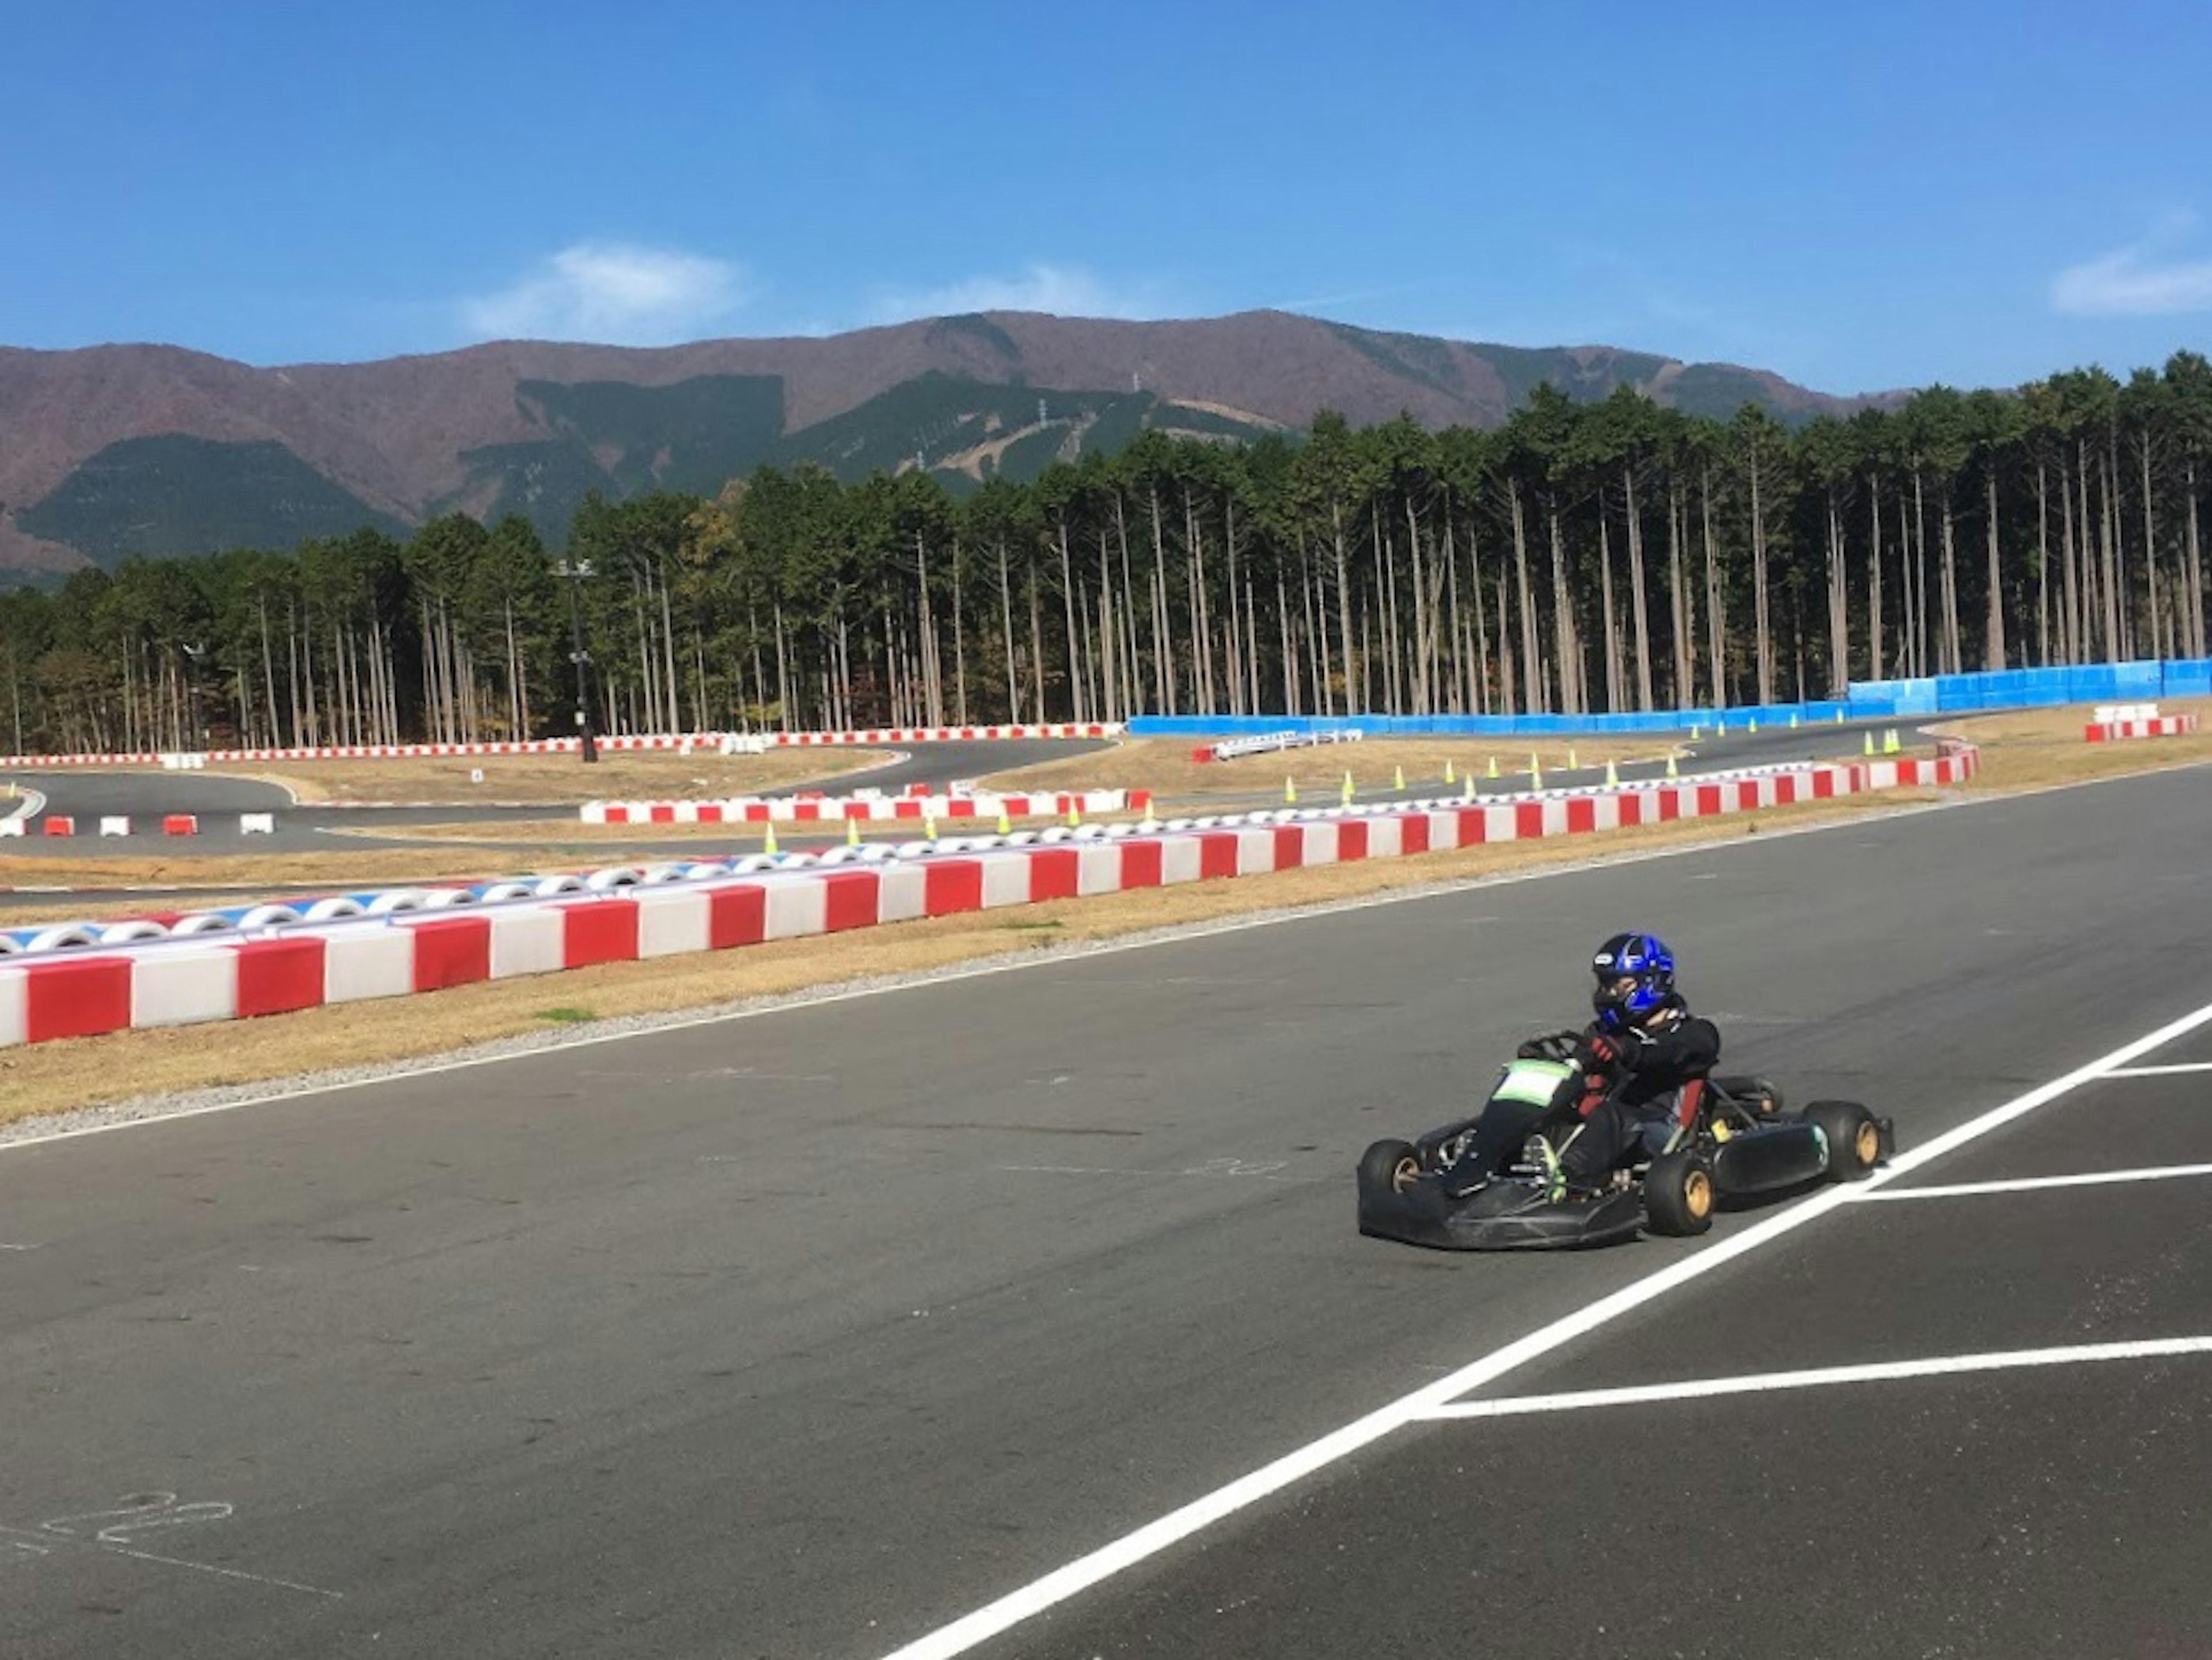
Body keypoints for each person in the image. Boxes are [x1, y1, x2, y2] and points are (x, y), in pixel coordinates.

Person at [1525, 932, 1721, 1199]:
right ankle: (1487, 1165)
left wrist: (1628, 1050)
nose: (1608, 994)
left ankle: (1564, 1181)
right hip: (1607, 1128)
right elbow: (1577, 1068)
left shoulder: (1694, 1033)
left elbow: (1665, 1053)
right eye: (1605, 985)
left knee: (1611, 1116)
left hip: (1660, 1131)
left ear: (1652, 983)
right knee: (1543, 1104)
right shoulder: (1604, 1032)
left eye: (1620, 986)